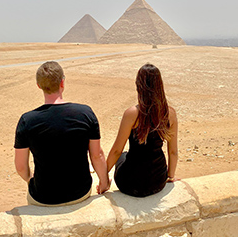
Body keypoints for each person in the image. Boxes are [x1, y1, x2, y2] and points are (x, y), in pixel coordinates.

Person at [14, 61, 110, 206]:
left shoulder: (27, 120)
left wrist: (31, 180)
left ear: (39, 86)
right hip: (80, 193)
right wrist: (104, 182)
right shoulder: (85, 113)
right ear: (62, 83)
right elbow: (97, 155)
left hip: (43, 196)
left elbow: (21, 167)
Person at [106, 63, 178, 197]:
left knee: (123, 155)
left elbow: (117, 151)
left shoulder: (132, 114)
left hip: (130, 184)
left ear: (139, 85)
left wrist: (104, 179)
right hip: (158, 182)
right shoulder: (170, 113)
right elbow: (173, 151)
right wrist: (170, 176)